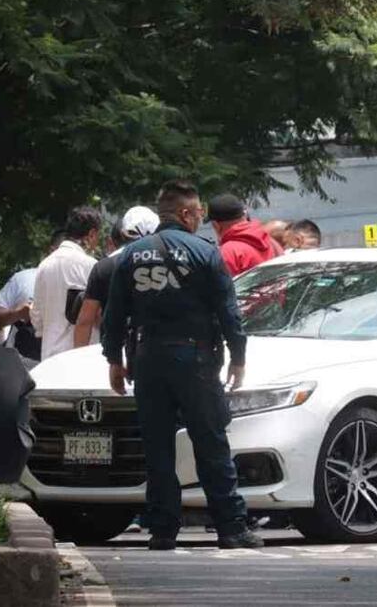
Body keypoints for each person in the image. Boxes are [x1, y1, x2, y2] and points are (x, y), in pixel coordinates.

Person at [101, 180, 263, 550]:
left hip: (147, 360)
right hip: (196, 359)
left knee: (157, 446)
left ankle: (163, 530)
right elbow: (228, 312)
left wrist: (114, 359)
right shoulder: (206, 253)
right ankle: (231, 528)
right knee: (211, 442)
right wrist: (238, 357)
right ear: (187, 214)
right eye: (199, 213)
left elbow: (114, 316)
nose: (201, 219)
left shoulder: (131, 255)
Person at [74, 206, 160, 348]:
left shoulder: (103, 267)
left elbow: (85, 321)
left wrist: (78, 359)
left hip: (112, 352)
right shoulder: (166, 262)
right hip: (155, 350)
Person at [31, 206, 102, 360]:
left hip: (50, 359)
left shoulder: (44, 265)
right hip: (83, 358)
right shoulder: (91, 266)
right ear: (92, 234)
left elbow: (36, 318)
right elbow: (99, 316)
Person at [0, 231, 66, 364]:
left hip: (59, 366)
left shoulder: (83, 284)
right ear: (52, 251)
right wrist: (18, 313)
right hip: (20, 366)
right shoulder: (23, 279)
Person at [207, 193, 282, 276]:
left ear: (215, 225)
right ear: (244, 216)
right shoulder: (269, 240)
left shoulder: (227, 252)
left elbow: (224, 287)